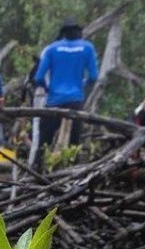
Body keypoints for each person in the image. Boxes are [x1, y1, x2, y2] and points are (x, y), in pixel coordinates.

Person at [34, 18, 99, 157]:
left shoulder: (52, 49)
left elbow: (38, 78)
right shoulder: (87, 48)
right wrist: (82, 85)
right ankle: (72, 172)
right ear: (78, 32)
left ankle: (38, 169)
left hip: (54, 101)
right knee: (73, 145)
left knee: (44, 142)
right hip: (75, 101)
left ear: (63, 33)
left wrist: (48, 88)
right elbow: (93, 76)